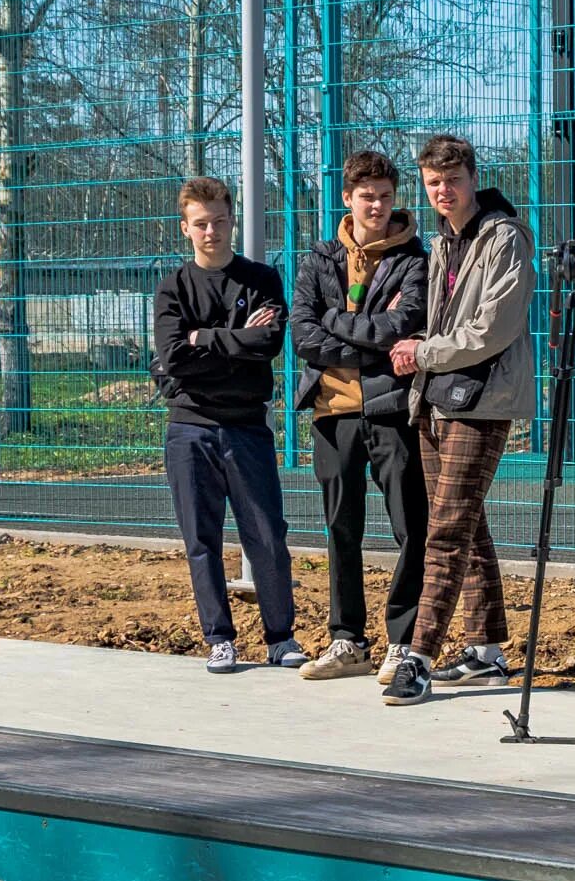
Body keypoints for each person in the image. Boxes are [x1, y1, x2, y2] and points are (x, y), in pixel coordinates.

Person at [380, 135, 536, 707]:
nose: (443, 191)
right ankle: (488, 651)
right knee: (467, 527)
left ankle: (416, 657)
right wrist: (422, 344)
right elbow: (449, 323)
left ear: (474, 177)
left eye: (452, 180)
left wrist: (424, 353)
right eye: (433, 184)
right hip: (439, 397)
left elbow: (493, 328)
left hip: (484, 401)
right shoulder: (444, 243)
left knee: (444, 532)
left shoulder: (504, 239)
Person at [151, 176, 303, 674]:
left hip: (246, 427)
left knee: (267, 535)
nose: (211, 231)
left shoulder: (262, 279)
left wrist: (203, 339)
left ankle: (280, 637)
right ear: (185, 229)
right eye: (201, 224)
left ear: (232, 220)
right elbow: (172, 358)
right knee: (202, 539)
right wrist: (234, 338)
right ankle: (219, 637)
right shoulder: (173, 287)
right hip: (189, 428)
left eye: (219, 221)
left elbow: (268, 345)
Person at [290, 149, 429, 684]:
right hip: (332, 412)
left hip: (392, 410)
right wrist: (363, 335)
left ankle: (403, 641)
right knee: (341, 529)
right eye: (366, 195)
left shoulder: (414, 258)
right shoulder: (320, 258)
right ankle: (347, 639)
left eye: (386, 196)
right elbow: (303, 333)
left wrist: (336, 322)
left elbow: (404, 325)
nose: (377, 204)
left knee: (409, 527)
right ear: (347, 198)